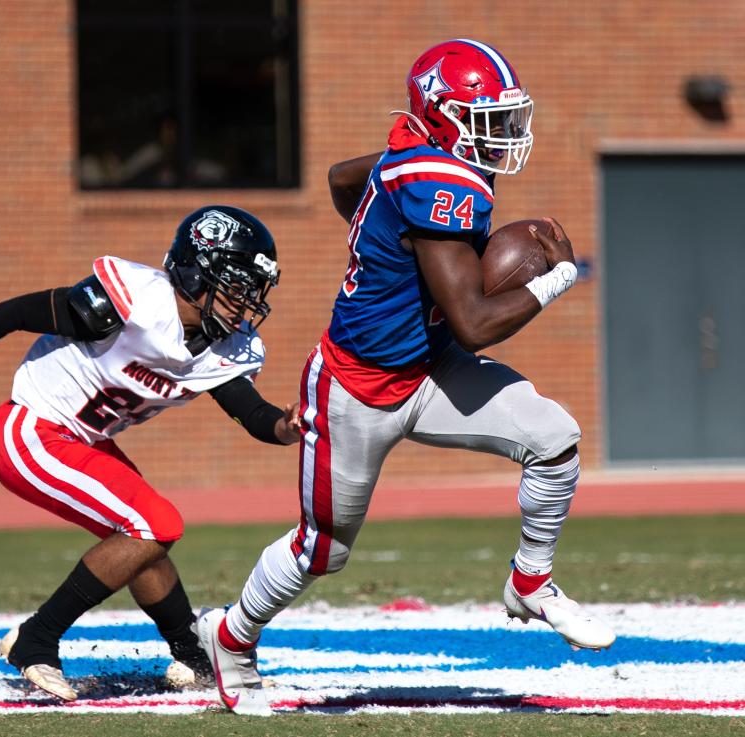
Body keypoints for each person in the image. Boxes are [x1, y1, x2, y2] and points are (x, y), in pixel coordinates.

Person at [194, 39, 616, 717]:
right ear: (445, 115)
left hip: (429, 366)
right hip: (358, 386)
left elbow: (340, 178)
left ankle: (530, 581)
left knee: (554, 437)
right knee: (321, 550)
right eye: (488, 118)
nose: (505, 134)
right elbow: (476, 323)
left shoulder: (416, 151)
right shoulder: (439, 180)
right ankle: (231, 634)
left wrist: (379, 228)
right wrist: (563, 278)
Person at [0, 205, 300, 701]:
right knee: (153, 523)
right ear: (196, 272)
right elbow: (14, 314)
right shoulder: (134, 301)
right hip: (32, 430)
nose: (244, 303)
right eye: (235, 286)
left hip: (84, 442)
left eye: (251, 290)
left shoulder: (227, 347)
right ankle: (37, 639)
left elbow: (250, 412)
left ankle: (191, 652)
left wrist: (286, 428)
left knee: (146, 535)